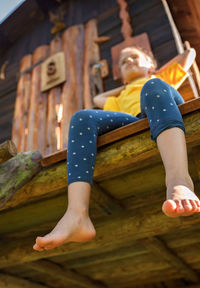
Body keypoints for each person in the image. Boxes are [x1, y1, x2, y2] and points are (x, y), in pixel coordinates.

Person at [33, 46, 200, 252]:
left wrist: (151, 73)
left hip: (160, 108)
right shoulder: (116, 99)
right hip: (132, 121)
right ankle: (76, 214)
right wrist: (126, 84)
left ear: (151, 65)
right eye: (123, 62)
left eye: (134, 57)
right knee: (82, 117)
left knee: (154, 87)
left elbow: (189, 55)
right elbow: (97, 100)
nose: (129, 61)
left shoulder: (161, 77)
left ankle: (179, 181)